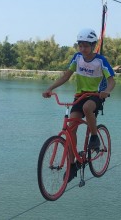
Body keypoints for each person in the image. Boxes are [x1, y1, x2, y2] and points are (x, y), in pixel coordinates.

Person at [42, 28, 116, 182]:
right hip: (79, 96)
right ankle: (72, 164)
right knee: (71, 129)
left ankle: (95, 137)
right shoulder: (77, 58)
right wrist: (50, 88)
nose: (82, 49)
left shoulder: (100, 60)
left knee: (87, 108)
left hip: (96, 96)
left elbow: (111, 80)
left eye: (86, 46)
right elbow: (66, 76)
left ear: (93, 45)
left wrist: (107, 91)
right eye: (80, 46)